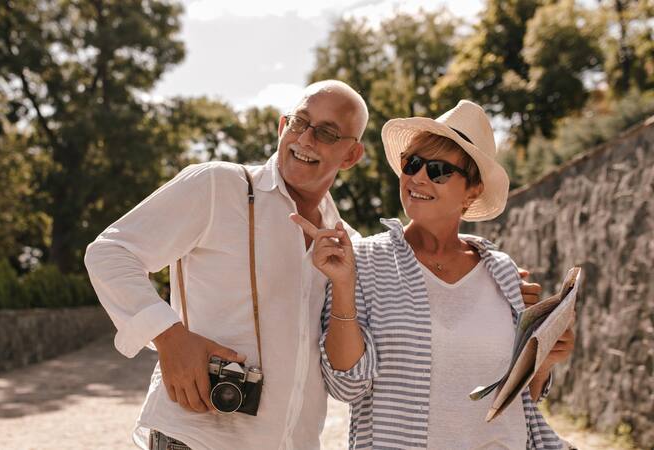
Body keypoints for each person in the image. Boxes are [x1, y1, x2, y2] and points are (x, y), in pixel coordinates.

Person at [83, 80, 368, 450]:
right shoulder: (219, 185)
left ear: (351, 156)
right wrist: (170, 337)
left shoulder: (350, 245)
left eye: (327, 133)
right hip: (194, 438)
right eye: (300, 122)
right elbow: (110, 251)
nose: (306, 139)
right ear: (283, 127)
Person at [291, 100, 575, 449]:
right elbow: (346, 386)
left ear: (472, 192)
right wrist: (344, 286)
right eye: (412, 163)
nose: (418, 177)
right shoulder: (362, 260)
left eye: (439, 169)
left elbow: (520, 397)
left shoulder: (503, 272)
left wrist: (544, 361)